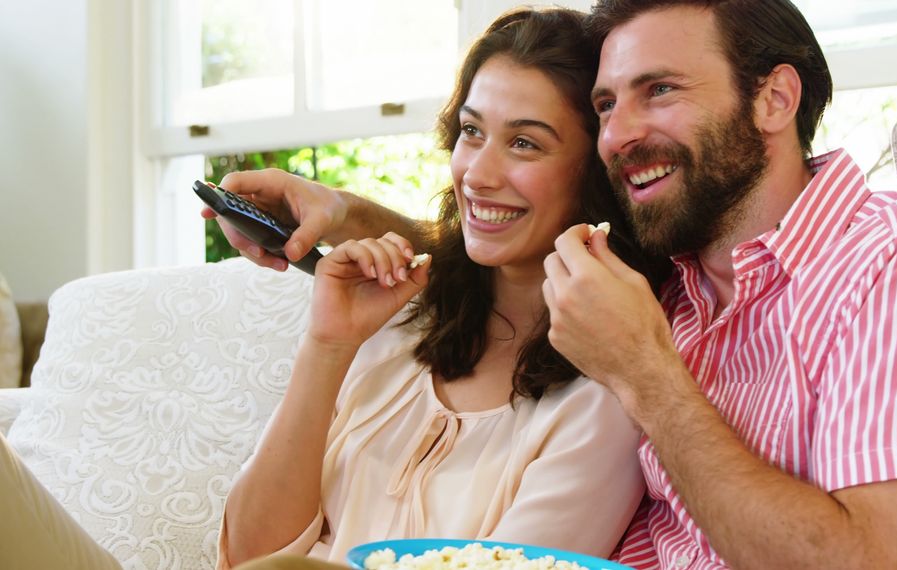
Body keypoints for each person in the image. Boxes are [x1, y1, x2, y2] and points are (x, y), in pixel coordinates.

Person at [215, 1, 897, 569]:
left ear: (776, 97)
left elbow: (868, 562)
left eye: (661, 90)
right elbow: (506, 251)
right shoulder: (672, 276)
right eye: (607, 104)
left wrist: (643, 370)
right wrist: (343, 216)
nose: (623, 133)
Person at [0, 7, 667, 570]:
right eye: (470, 131)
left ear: (592, 172)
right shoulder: (404, 329)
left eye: (525, 144)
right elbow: (245, 551)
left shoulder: (604, 396)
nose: (479, 174)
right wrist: (329, 344)